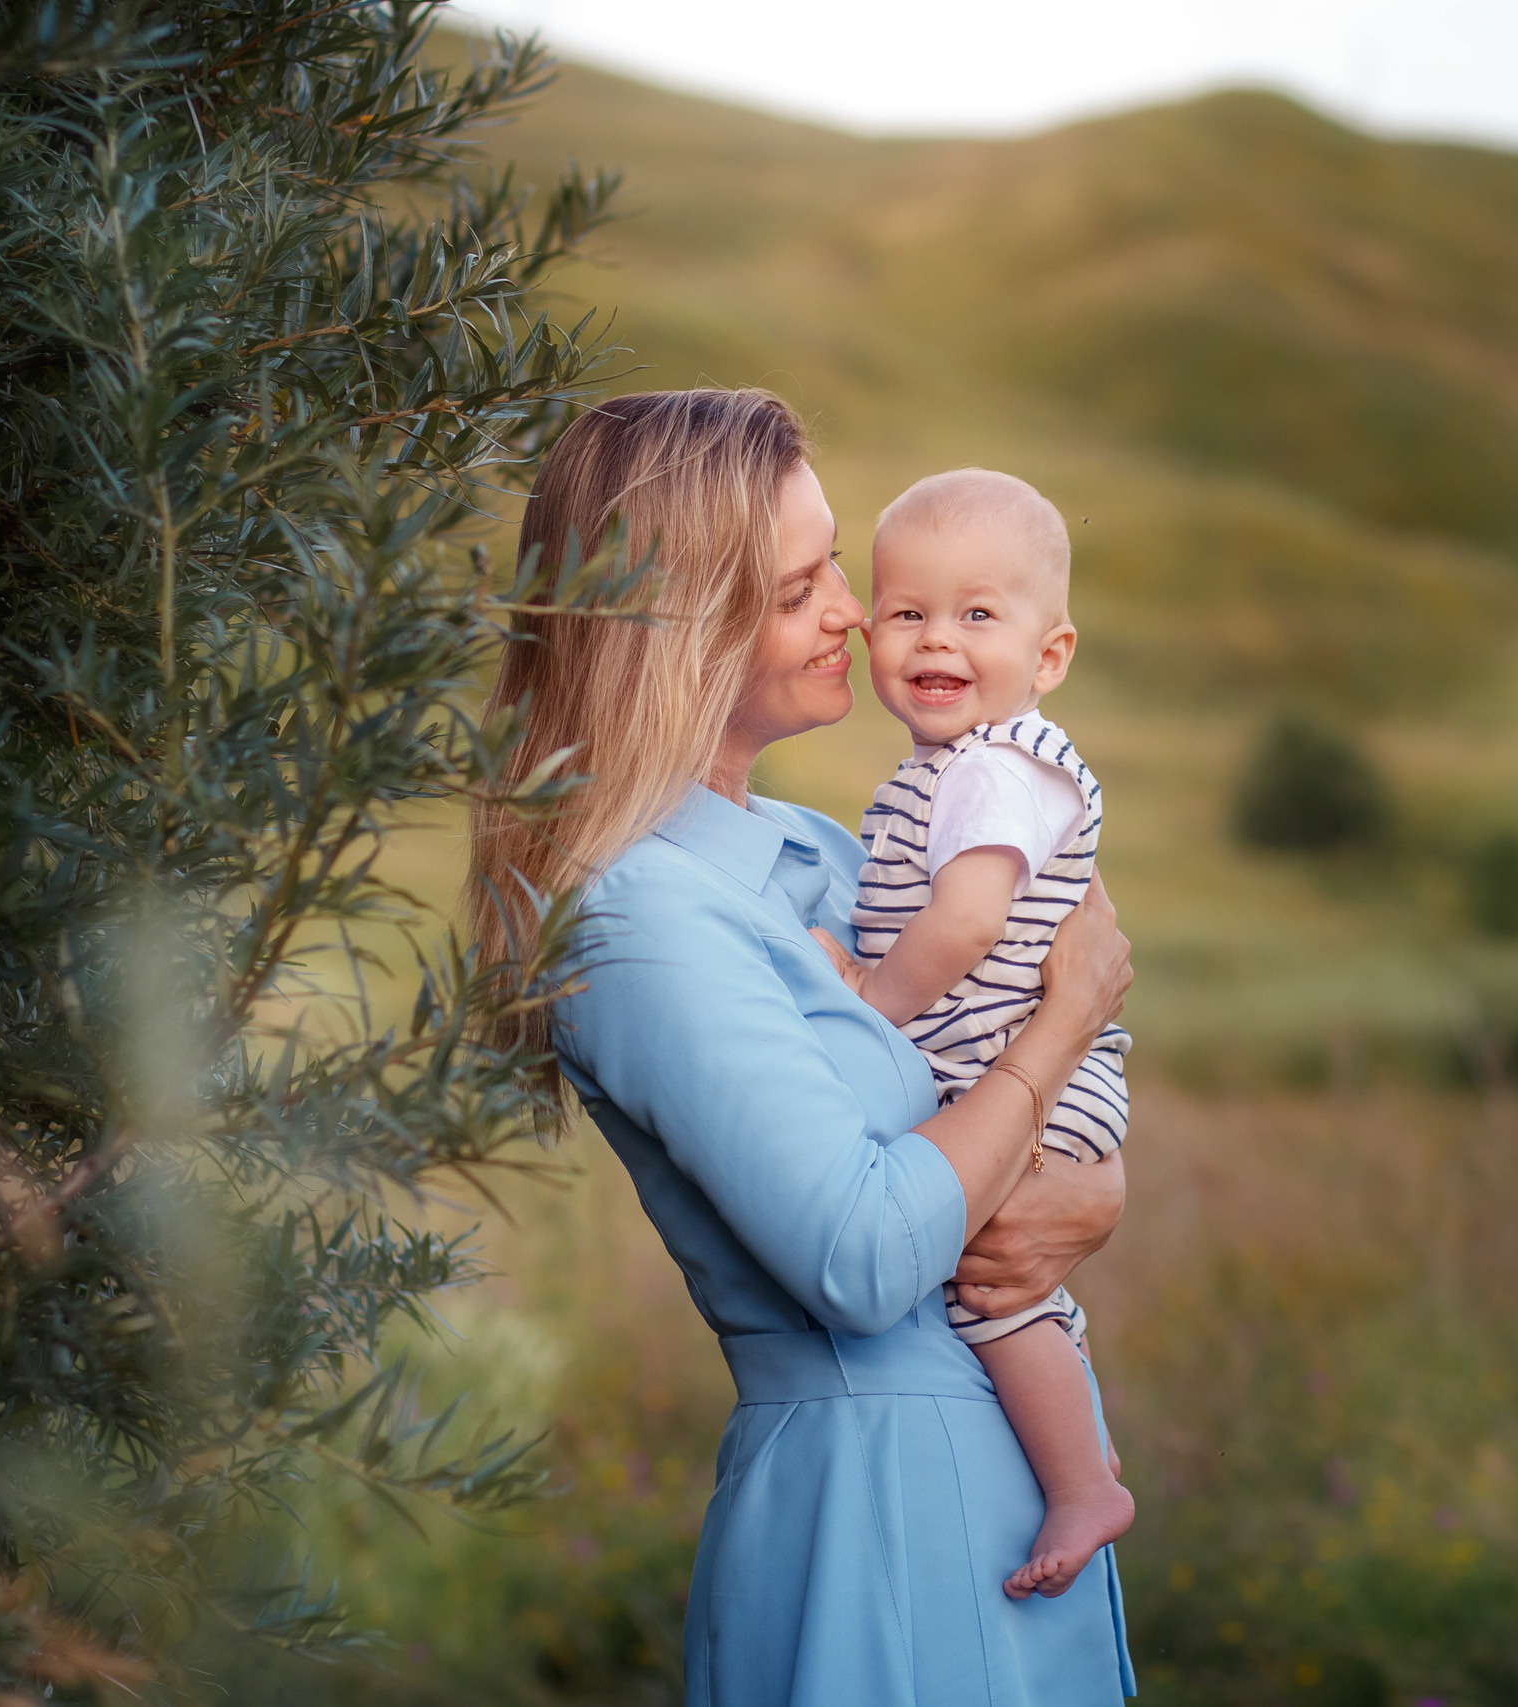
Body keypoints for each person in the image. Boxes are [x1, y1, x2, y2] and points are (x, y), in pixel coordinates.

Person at [467, 390, 1137, 1706]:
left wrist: (1095, 1188)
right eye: (796, 587)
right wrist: (1063, 1025)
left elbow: (1007, 1083)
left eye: (835, 560)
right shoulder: (637, 912)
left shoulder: (833, 854)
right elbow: (864, 1253)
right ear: (676, 634)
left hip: (1009, 1479)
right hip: (880, 1509)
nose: (852, 609)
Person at [816, 468, 1136, 1602]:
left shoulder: (994, 771)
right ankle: (1076, 1464)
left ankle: (1080, 1482)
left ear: (1048, 658)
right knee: (1005, 1276)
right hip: (1023, 1058)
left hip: (1040, 1066)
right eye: (906, 612)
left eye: (977, 615)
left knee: (988, 1283)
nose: (934, 639)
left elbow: (966, 920)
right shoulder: (956, 769)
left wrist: (869, 997)